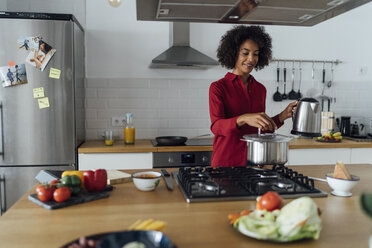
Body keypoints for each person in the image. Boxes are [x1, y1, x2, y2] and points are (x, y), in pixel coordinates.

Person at [209, 25, 297, 167]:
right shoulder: (218, 87)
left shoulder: (260, 89)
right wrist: (243, 119)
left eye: (255, 54)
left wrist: (282, 116)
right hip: (226, 163)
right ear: (233, 53)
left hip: (255, 162)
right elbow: (216, 127)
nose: (251, 59)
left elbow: (260, 130)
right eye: (245, 53)